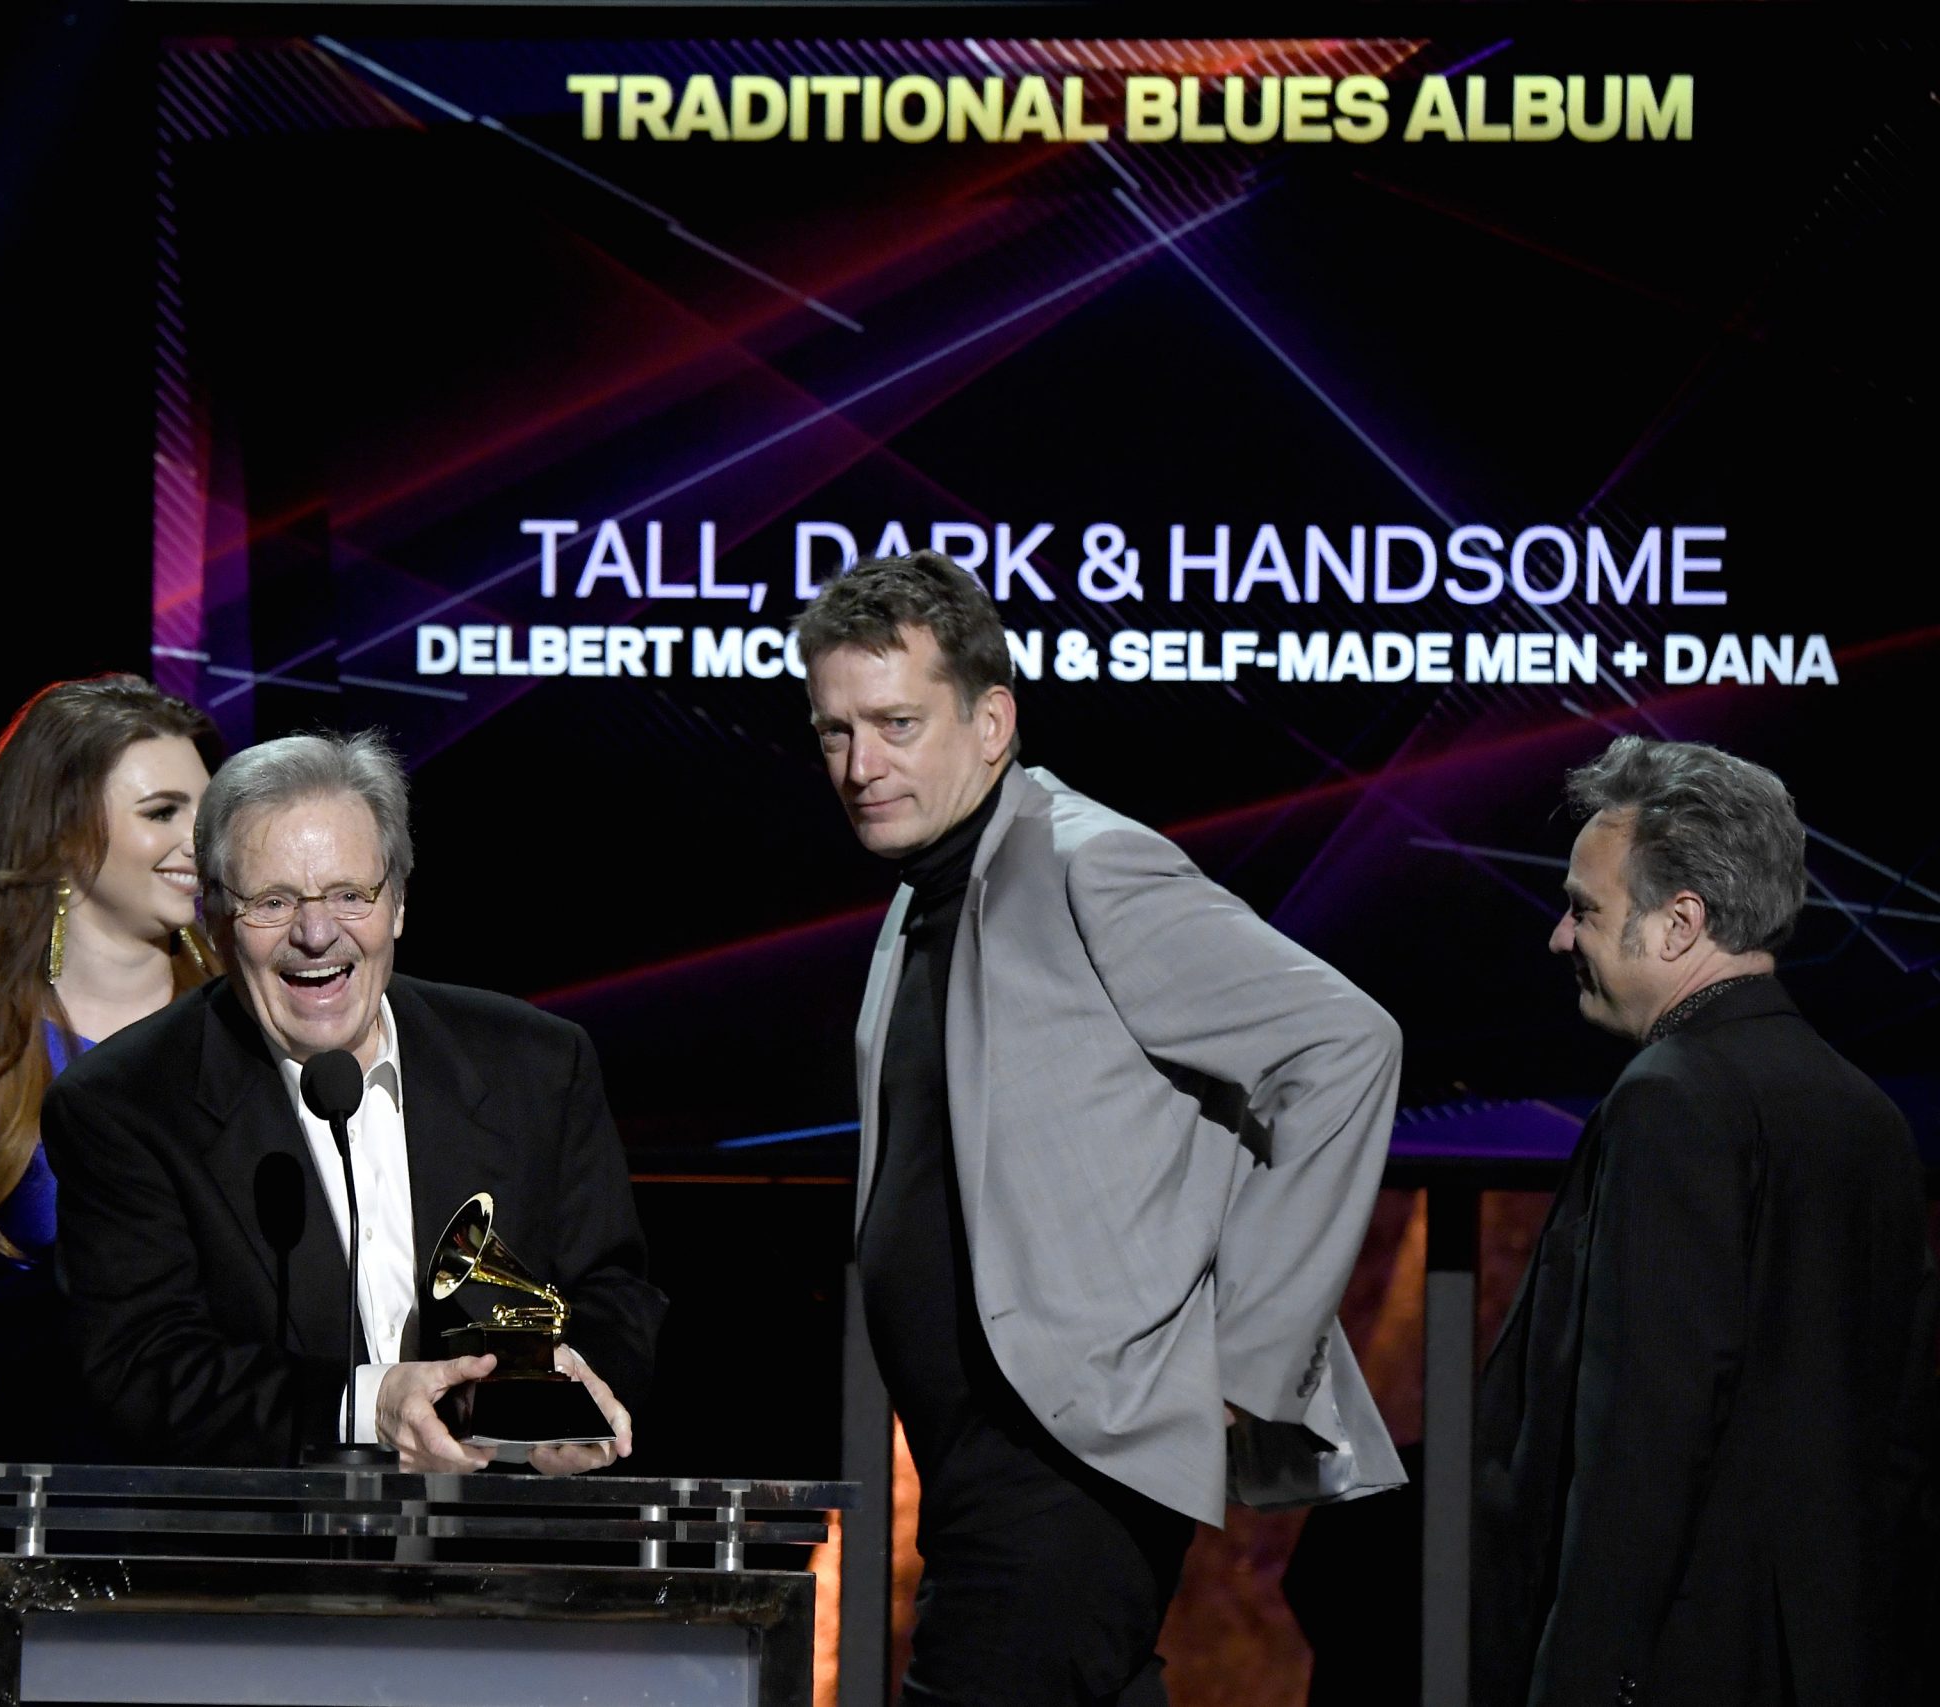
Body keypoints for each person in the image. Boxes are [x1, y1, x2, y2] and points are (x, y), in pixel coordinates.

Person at [795, 551, 1404, 1707]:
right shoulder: (925, 890)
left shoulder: (1087, 862)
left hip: (1067, 1455)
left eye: (895, 724)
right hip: (978, 1465)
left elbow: (1342, 1044)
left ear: (991, 723)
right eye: (835, 731)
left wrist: (1246, 1352)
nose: (861, 765)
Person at [41, 729, 664, 1472]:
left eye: (349, 895)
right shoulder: (123, 1105)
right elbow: (144, 1366)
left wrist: (574, 1387)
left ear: (396, 903)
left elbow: (613, 1291)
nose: (316, 934)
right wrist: (371, 1405)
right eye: (272, 901)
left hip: (506, 1525)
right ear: (214, 920)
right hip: (270, 1540)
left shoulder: (539, 1064)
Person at [1475, 736, 1932, 1707]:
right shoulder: (1867, 1112)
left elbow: (1641, 1439)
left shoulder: (1672, 1098)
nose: (1560, 937)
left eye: (1585, 909)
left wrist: (1580, 1680)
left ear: (1678, 923)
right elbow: (1897, 1444)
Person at [0, 674, 218, 1459]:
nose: (201, 839)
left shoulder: (250, 1024)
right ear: (61, 832)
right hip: (41, 1484)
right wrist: (88, 1298)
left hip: (233, 1476)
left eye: (207, 809)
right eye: (163, 811)